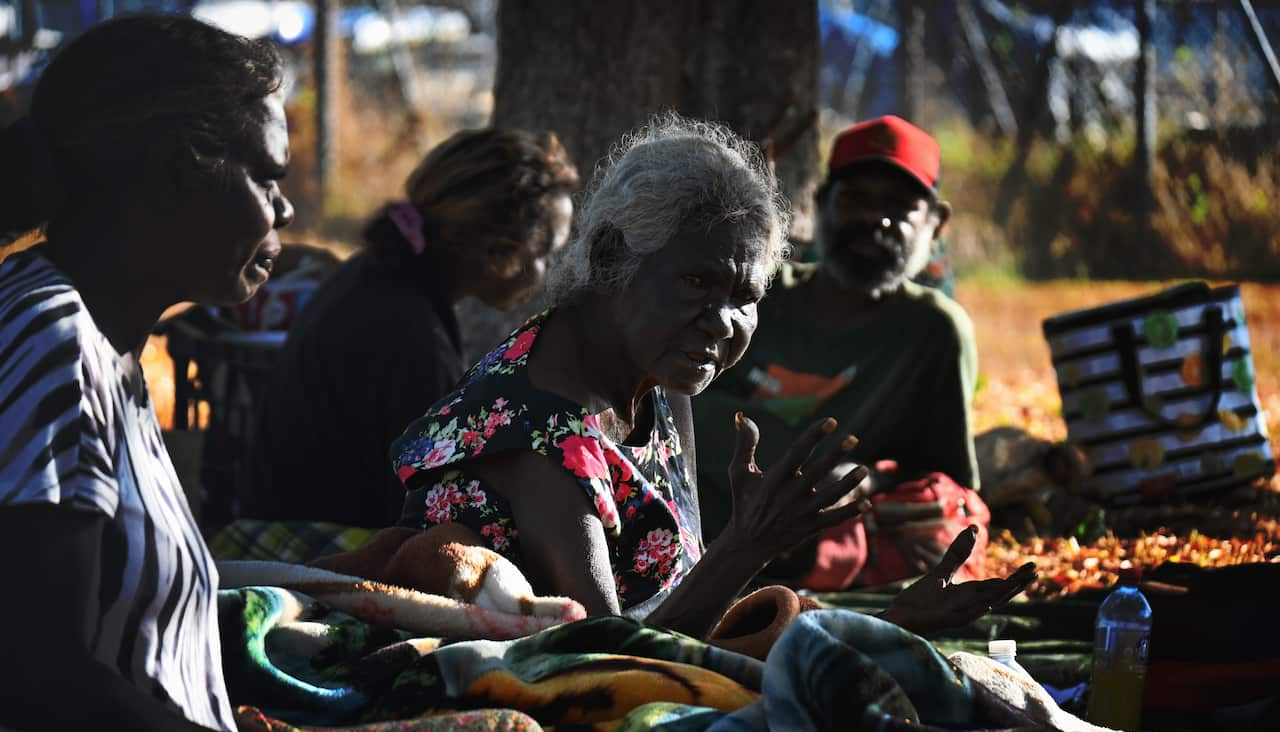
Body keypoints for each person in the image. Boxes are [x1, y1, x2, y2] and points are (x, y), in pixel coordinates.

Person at [0, 16, 572, 732]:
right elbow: (37, 672)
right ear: (173, 174)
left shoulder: (109, 343)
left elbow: (132, 654)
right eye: (264, 174)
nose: (288, 204)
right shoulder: (49, 341)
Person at [390, 114, 1032, 640]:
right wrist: (750, 546)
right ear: (614, 256)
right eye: (697, 281)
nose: (725, 323)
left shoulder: (658, 377)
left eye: (747, 296)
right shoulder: (543, 435)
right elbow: (609, 661)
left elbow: (682, 602)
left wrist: (882, 622)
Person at [692, 114, 983, 589]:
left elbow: (945, 483)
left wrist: (867, 480)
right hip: (690, 538)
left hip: (816, 563)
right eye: (855, 200)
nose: (874, 219)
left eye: (899, 206)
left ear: (936, 224)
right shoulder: (755, 296)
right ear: (821, 203)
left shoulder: (933, 334)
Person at [244, 129, 578, 528]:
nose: (551, 272)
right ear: (498, 254)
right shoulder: (412, 336)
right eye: (546, 254)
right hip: (316, 545)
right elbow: (421, 513)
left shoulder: (378, 279)